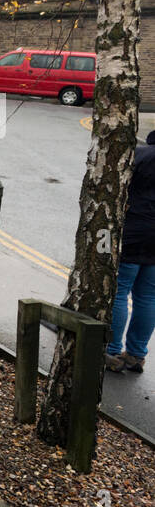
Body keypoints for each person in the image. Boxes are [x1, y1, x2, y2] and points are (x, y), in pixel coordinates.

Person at [107, 132, 155, 373]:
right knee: (148, 297)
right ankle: (136, 354)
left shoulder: (140, 155)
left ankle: (112, 350)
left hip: (135, 230)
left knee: (119, 291)